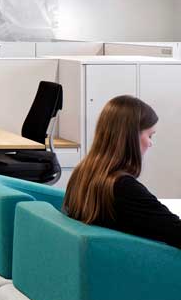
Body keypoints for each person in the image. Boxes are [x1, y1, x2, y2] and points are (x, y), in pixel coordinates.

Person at [63, 95, 181, 249]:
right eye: (150, 135)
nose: (150, 143)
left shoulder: (83, 173)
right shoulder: (123, 187)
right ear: (131, 136)